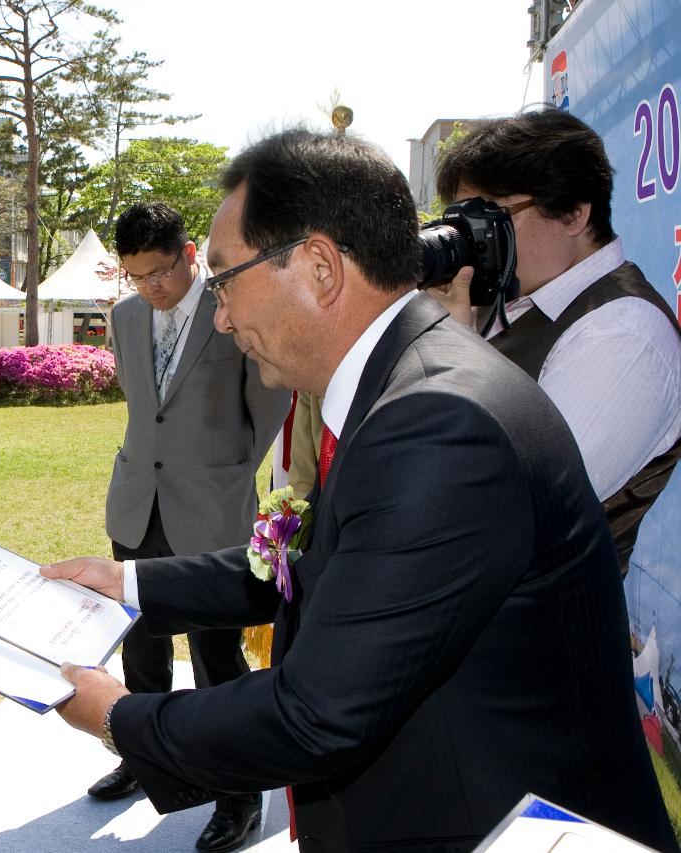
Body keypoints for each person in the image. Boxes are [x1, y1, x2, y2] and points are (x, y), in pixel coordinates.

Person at [43, 129, 677, 852]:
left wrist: (117, 715)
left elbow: (316, 711)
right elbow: (322, 569)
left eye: (224, 281)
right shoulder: (413, 380)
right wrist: (125, 581)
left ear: (317, 267)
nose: (220, 316)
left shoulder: (437, 420)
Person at [99, 201, 288, 852]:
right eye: (135, 276)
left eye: (158, 271)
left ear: (188, 254)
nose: (149, 287)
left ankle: (239, 796)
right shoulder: (125, 317)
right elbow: (139, 403)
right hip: (137, 504)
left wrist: (227, 474)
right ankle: (145, 757)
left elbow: (268, 404)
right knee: (141, 646)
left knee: (216, 659)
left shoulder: (233, 307)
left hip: (210, 510)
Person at [433, 107, 681, 574]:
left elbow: (514, 503)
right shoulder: (507, 299)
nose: (476, 239)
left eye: (493, 217)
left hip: (541, 633)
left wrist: (450, 352)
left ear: (573, 212)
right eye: (463, 222)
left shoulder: (624, 333)